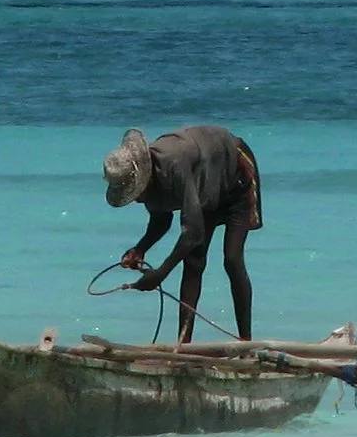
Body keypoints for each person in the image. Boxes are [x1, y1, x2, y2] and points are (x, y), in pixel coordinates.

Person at [103, 125, 263, 343]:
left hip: (236, 174)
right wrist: (140, 248)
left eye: (136, 193)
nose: (138, 199)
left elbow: (193, 233)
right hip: (206, 186)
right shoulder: (149, 182)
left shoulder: (174, 166)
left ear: (145, 178)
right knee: (194, 262)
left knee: (232, 259)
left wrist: (161, 273)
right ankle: (183, 343)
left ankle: (246, 342)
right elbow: (162, 220)